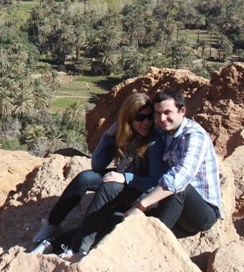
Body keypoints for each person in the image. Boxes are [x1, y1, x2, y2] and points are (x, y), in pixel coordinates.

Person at [32, 92, 167, 256]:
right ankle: (53, 224)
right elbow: (97, 164)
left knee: (108, 194)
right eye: (140, 117)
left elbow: (155, 182)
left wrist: (124, 178)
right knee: (85, 178)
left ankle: (75, 247)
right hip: (124, 177)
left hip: (139, 188)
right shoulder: (127, 134)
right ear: (129, 118)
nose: (146, 122)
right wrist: (109, 135)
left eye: (150, 117)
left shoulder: (155, 141)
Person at [125, 88, 222, 235]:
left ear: (182, 111)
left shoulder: (194, 136)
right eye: (157, 113)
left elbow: (180, 177)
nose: (162, 118)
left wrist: (141, 205)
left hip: (202, 213)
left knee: (181, 189)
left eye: (167, 112)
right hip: (172, 205)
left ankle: (153, 240)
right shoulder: (164, 133)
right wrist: (112, 131)